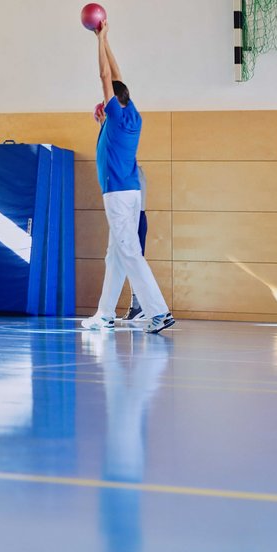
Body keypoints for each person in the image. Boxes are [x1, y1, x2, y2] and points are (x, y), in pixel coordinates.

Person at [81, 19, 174, 334]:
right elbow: (118, 77)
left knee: (129, 252)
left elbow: (106, 75)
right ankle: (105, 313)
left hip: (119, 195)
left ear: (111, 104)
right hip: (131, 193)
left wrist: (100, 39)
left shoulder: (117, 114)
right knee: (115, 255)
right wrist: (106, 40)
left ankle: (158, 312)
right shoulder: (131, 113)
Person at [93, 102, 148, 322]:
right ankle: (108, 312)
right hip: (131, 211)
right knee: (117, 259)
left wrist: (106, 121)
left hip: (133, 214)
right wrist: (103, 123)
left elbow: (113, 144)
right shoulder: (128, 163)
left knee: (132, 258)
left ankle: (147, 306)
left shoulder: (129, 168)